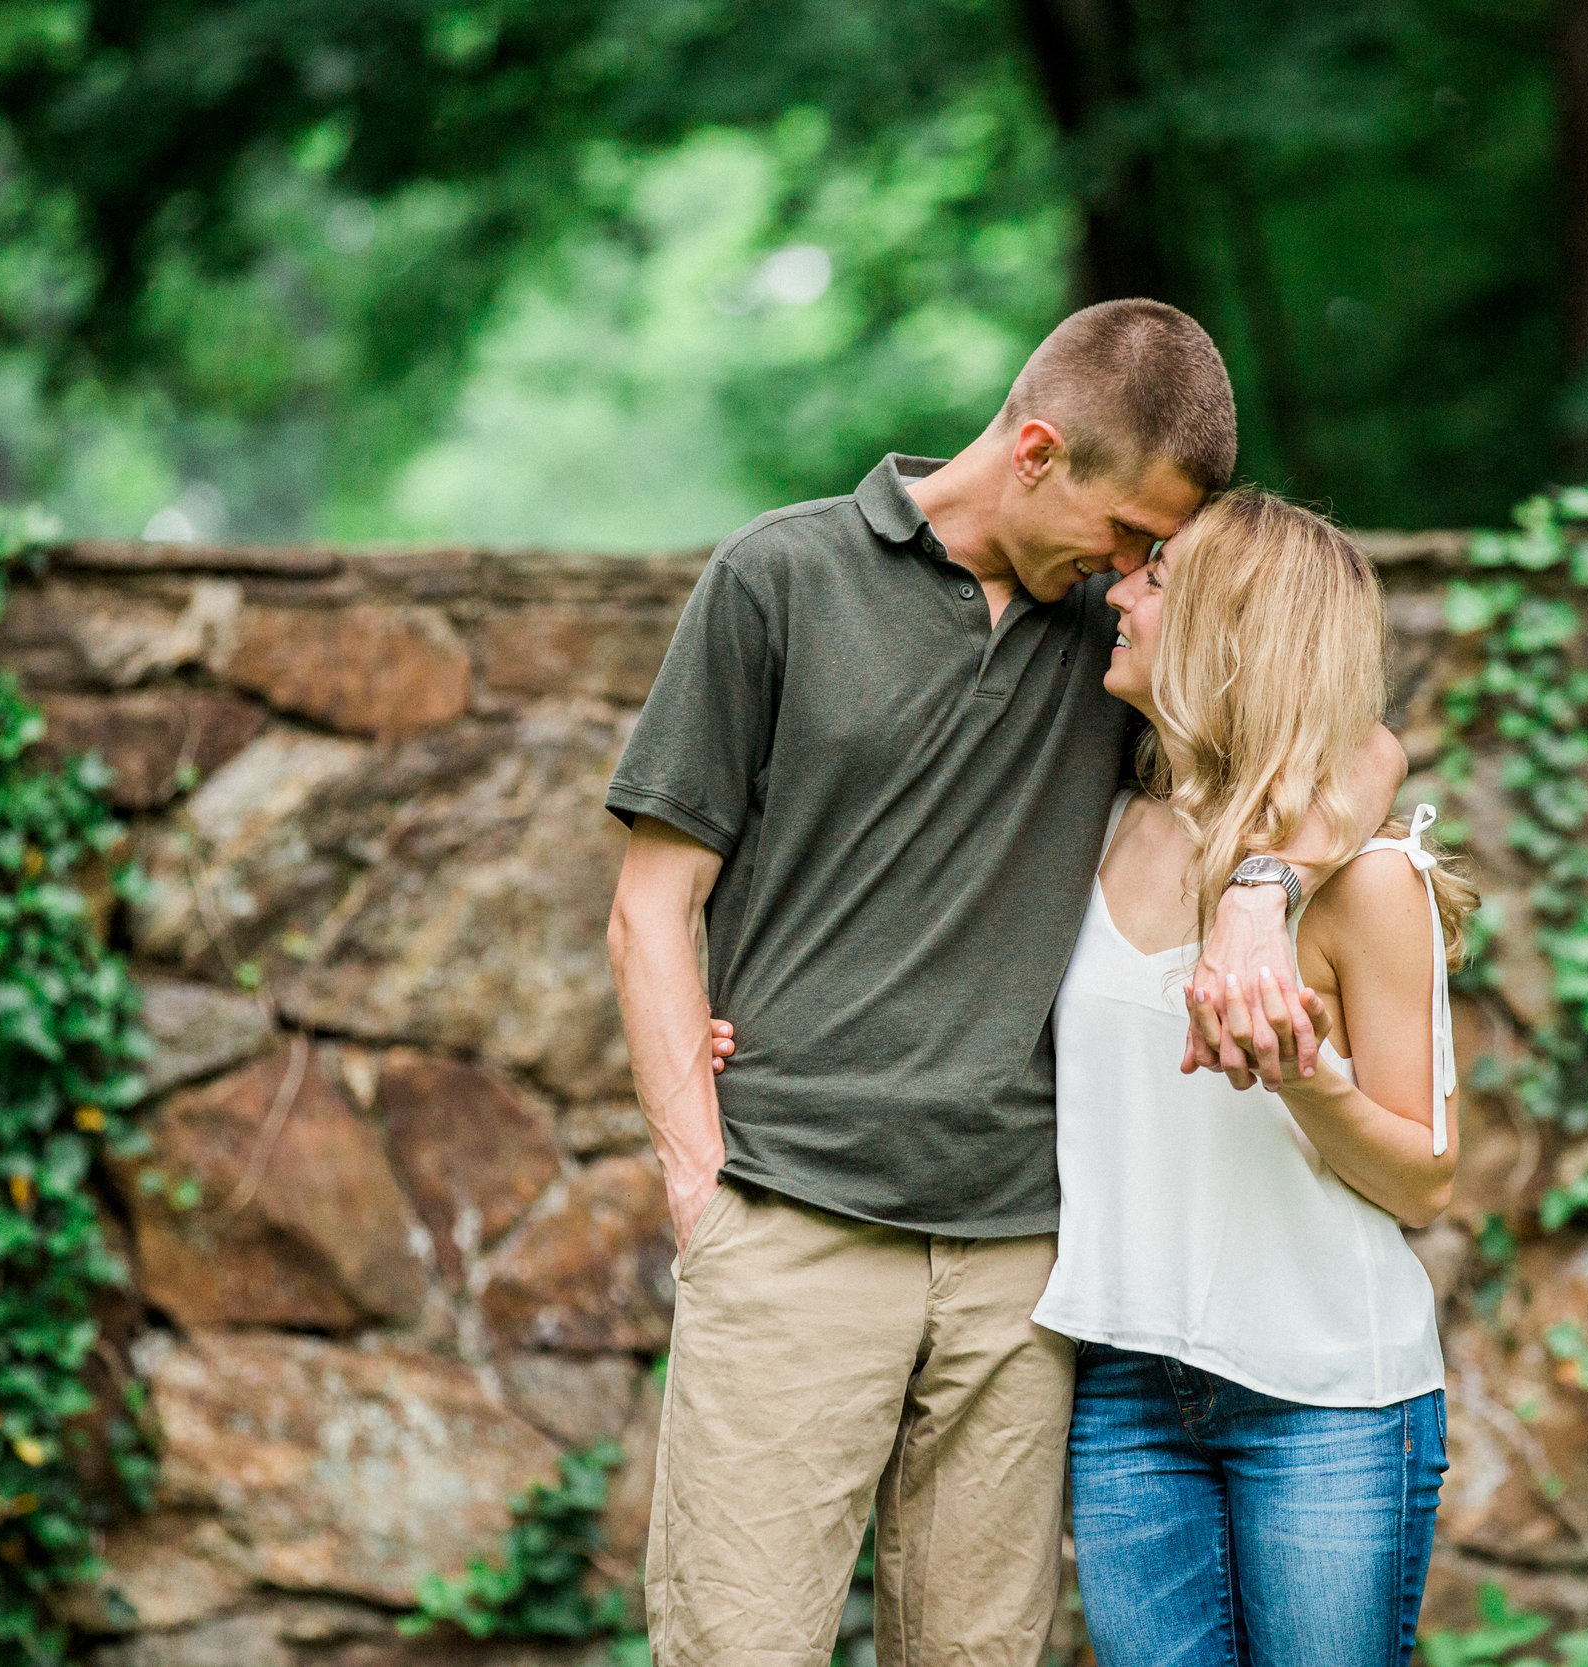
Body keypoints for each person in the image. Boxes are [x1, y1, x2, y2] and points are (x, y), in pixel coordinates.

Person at [601, 299, 1405, 1667]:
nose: (1143, 565)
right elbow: (650, 905)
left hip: (1022, 1263)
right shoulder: (778, 578)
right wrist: (701, 1186)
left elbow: (1359, 744)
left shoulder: (1110, 631)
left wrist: (1264, 902)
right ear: (1038, 450)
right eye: (1132, 532)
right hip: (795, 1218)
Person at [1031, 489, 1478, 1667]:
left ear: (1236, 630)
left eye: (1158, 578)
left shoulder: (1370, 884)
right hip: (1123, 1389)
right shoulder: (1098, 828)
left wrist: (1304, 1075)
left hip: (1326, 1401)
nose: (1116, 590)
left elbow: (1426, 1184)